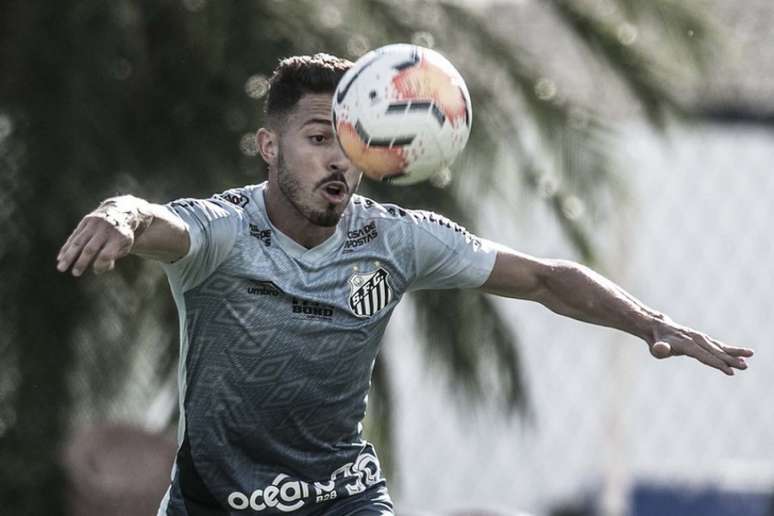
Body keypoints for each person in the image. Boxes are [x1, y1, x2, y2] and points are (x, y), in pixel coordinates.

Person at [55, 53, 753, 516]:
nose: (339, 159)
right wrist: (117, 214)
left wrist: (652, 321)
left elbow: (545, 278)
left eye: (352, 141)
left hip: (346, 499)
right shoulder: (223, 233)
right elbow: (156, 222)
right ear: (271, 147)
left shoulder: (393, 238)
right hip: (217, 503)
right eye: (319, 137)